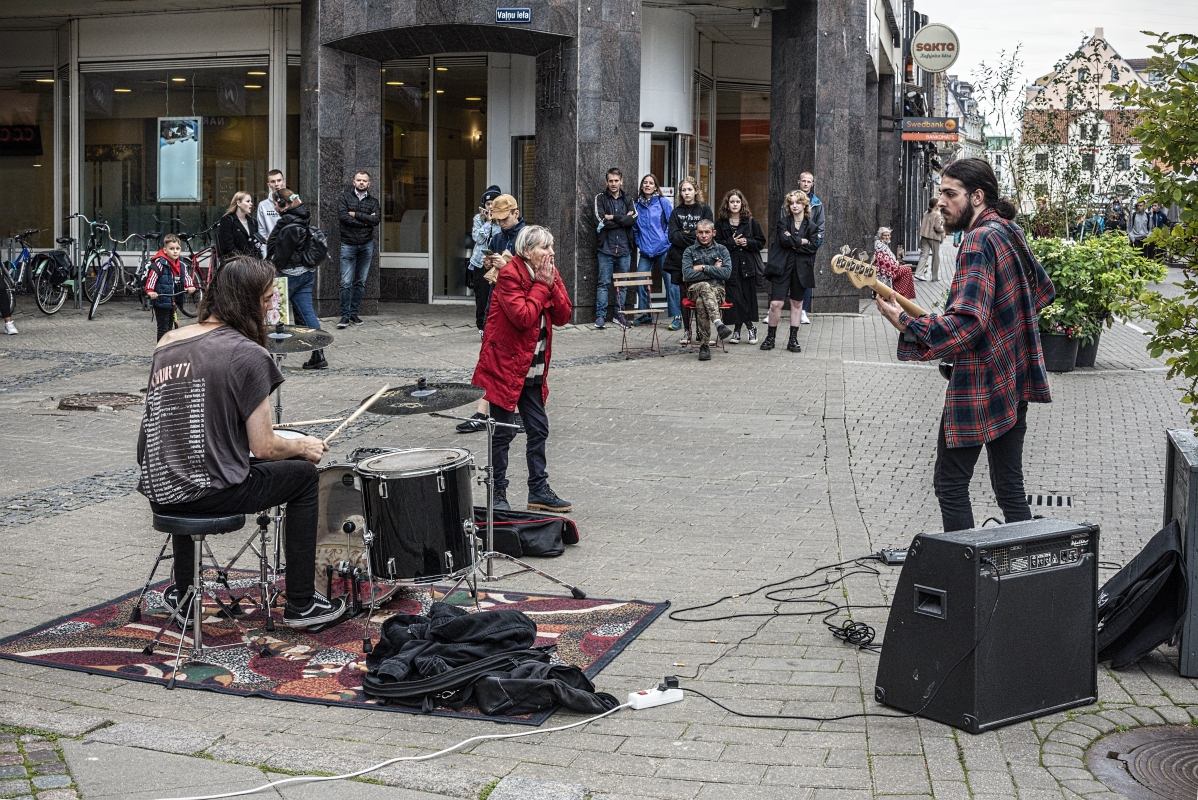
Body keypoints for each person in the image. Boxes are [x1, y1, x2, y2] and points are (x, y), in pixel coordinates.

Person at [137, 256, 346, 629]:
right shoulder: (247, 353)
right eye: (267, 299)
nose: (272, 306)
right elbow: (264, 447)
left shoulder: (168, 341)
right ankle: (301, 604)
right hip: (208, 492)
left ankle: (182, 592)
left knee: (188, 461)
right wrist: (303, 447)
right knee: (302, 475)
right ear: (247, 301)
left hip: (160, 485)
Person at [875, 158, 1055, 532]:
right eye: (940, 192)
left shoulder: (977, 240)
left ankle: (966, 580)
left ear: (977, 196)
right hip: (1012, 376)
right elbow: (1042, 289)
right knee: (1009, 487)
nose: (941, 201)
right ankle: (1024, 576)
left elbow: (969, 323)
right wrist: (1002, 330)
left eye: (949, 193)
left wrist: (905, 321)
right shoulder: (1008, 229)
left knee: (951, 484)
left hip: (981, 381)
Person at [472, 225, 573, 513]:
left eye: (551, 247)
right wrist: (543, 286)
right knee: (503, 432)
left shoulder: (546, 273)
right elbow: (523, 317)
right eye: (545, 248)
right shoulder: (508, 275)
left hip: (532, 369)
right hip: (504, 367)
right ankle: (498, 493)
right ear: (527, 252)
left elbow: (564, 315)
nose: (551, 253)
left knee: (538, 428)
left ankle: (538, 490)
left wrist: (552, 283)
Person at [268, 189, 327, 370]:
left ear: (283, 204)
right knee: (307, 313)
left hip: (289, 274)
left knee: (274, 311)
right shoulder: (301, 217)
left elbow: (281, 256)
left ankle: (271, 355)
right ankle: (319, 354)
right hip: (306, 273)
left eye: (276, 204)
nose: (275, 208)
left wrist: (269, 270)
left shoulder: (288, 224)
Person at [764, 190, 816, 353]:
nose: (794, 205)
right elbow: (783, 240)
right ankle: (770, 337)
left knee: (797, 303)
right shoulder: (783, 223)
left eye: (797, 203)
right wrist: (801, 241)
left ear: (804, 204)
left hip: (801, 268)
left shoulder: (812, 226)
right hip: (782, 267)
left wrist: (794, 242)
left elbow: (813, 247)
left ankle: (793, 339)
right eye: (791, 203)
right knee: (776, 303)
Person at [664, 177, 713, 343]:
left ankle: (701, 331)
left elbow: (706, 234)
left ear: (696, 191)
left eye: (689, 189)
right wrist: (693, 236)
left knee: (699, 295)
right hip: (678, 260)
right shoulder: (676, 212)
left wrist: (687, 234)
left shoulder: (704, 210)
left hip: (700, 259)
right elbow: (673, 236)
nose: (686, 193)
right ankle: (687, 331)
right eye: (684, 190)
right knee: (683, 295)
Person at [715, 189, 764, 344]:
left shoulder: (750, 221)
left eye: (737, 201)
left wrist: (747, 242)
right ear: (727, 204)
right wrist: (732, 242)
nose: (735, 204)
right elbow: (715, 245)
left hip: (747, 267)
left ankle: (737, 331)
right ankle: (750, 327)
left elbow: (761, 242)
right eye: (732, 202)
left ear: (741, 203)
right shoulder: (721, 223)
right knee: (735, 298)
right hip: (729, 267)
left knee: (746, 298)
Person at [682, 219, 733, 361]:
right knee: (704, 286)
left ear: (713, 233)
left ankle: (704, 346)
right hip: (694, 288)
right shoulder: (689, 251)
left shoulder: (722, 250)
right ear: (696, 234)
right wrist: (714, 269)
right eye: (701, 232)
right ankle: (719, 324)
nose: (704, 235)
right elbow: (687, 275)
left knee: (701, 301)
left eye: (707, 232)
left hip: (718, 290)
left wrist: (702, 267)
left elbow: (726, 273)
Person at [593, 168, 637, 329]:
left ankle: (620, 316)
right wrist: (623, 218)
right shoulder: (600, 198)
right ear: (606, 182)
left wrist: (612, 217)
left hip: (625, 248)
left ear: (621, 181)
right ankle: (601, 316)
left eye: (616, 180)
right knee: (603, 283)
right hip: (606, 248)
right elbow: (599, 220)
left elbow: (633, 219)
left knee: (622, 285)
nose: (613, 184)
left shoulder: (628, 199)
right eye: (610, 181)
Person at [778, 172, 825, 324]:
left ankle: (802, 310)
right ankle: (776, 307)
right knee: (783, 276)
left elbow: (820, 229)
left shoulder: (817, 203)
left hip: (807, 250)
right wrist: (797, 241)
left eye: (809, 181)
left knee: (804, 278)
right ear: (798, 182)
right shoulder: (789, 201)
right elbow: (782, 226)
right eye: (803, 181)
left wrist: (812, 245)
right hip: (787, 249)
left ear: (812, 184)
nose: (805, 183)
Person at [336, 171, 381, 328]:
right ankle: (344, 315)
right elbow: (343, 217)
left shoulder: (374, 201)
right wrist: (364, 222)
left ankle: (353, 313)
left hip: (366, 245)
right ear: (353, 182)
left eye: (364, 180)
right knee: (345, 282)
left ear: (369, 183)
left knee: (360, 281)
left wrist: (355, 214)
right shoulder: (345, 197)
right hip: (348, 244)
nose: (361, 182)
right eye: (359, 180)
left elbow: (376, 220)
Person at [632, 174, 674, 327]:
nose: (648, 185)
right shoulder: (637, 206)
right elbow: (635, 228)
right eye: (645, 183)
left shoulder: (663, 202)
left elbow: (672, 223)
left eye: (651, 183)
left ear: (656, 187)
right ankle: (645, 314)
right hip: (645, 251)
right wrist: (639, 242)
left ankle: (676, 317)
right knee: (640, 281)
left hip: (663, 249)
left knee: (670, 283)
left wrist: (666, 240)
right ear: (642, 186)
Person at [144, 234, 196, 342]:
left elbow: (186, 276)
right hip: (161, 301)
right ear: (165, 250)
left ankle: (168, 351)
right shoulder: (160, 263)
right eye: (172, 249)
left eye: (177, 248)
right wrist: (150, 291)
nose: (175, 251)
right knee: (163, 329)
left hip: (173, 300)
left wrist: (190, 286)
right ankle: (161, 352)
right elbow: (152, 278)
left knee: (171, 329)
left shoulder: (181, 264)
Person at [469, 185, 502, 335]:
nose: (491, 207)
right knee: (481, 296)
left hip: (496, 263)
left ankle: (494, 325)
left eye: (494, 204)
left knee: (495, 296)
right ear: (484, 205)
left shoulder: (502, 220)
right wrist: (488, 222)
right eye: (488, 204)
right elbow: (478, 238)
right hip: (479, 262)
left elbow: (497, 238)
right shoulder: (478, 219)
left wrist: (494, 221)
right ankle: (482, 326)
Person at [872, 228, 916, 300]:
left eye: (888, 235)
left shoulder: (881, 244)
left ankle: (900, 293)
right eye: (885, 235)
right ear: (880, 236)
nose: (887, 237)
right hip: (888, 272)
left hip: (890, 269)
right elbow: (885, 263)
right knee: (907, 270)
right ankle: (900, 293)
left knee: (907, 269)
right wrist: (896, 264)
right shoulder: (881, 246)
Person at [217, 191, 261, 262]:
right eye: (248, 201)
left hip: (252, 265)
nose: (251, 204)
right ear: (238, 203)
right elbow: (228, 247)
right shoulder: (228, 220)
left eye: (251, 201)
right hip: (234, 264)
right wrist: (243, 260)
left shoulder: (253, 222)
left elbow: (256, 245)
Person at [914, 196, 945, 281]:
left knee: (924, 255)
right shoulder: (937, 214)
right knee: (935, 257)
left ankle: (918, 273)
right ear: (936, 205)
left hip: (924, 236)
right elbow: (937, 228)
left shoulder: (926, 213)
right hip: (934, 238)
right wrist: (943, 228)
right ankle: (934, 276)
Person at [257, 169, 286, 256]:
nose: (276, 184)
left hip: (290, 250)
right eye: (273, 181)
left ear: (283, 182)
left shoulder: (293, 201)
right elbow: (262, 231)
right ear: (269, 185)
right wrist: (265, 255)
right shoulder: (263, 205)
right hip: (272, 251)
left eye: (279, 180)